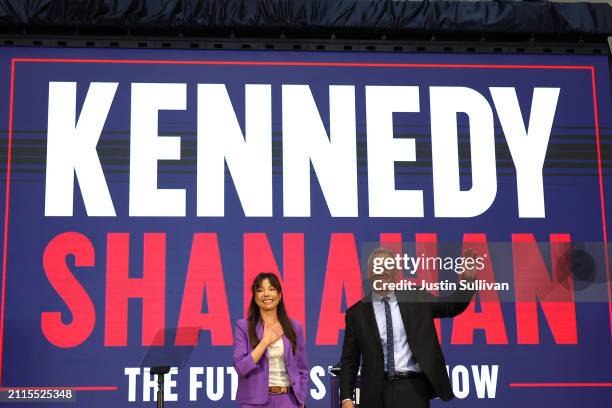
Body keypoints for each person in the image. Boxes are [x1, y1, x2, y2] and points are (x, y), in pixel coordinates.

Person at [340, 247, 477, 408]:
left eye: (387, 266)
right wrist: (346, 398)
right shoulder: (356, 313)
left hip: (412, 389)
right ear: (369, 273)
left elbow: (452, 306)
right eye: (377, 266)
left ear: (396, 272)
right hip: (374, 392)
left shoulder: (416, 298)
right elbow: (350, 359)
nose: (382, 271)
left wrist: (468, 282)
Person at [234, 272, 309, 408]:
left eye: (272, 289)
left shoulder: (294, 327)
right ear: (255, 297)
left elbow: (302, 369)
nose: (266, 294)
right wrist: (265, 342)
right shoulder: (243, 327)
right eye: (260, 290)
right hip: (254, 403)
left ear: (279, 295)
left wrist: (301, 398)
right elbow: (241, 368)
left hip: (288, 401)